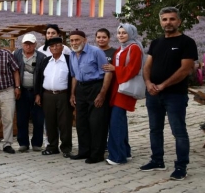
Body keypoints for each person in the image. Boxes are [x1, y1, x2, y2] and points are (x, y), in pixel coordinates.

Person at [141, 7, 197, 180]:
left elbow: (185, 69)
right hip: (153, 94)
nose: (168, 23)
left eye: (172, 19)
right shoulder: (156, 43)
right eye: (164, 19)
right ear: (160, 22)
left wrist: (163, 85)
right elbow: (147, 66)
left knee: (178, 131)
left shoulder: (187, 42)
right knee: (155, 129)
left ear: (179, 21)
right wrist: (149, 83)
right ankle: (157, 160)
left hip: (175, 95)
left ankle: (181, 166)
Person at [68, 29, 113, 164]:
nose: (74, 43)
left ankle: (97, 154)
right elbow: (74, 75)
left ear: (85, 40)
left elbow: (108, 73)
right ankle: (84, 151)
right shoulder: (72, 54)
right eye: (72, 40)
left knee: (96, 123)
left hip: (96, 87)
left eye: (77, 40)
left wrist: (102, 94)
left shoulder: (96, 52)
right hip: (81, 89)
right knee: (81, 122)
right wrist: (72, 93)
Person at [103, 24, 143, 165]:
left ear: (131, 34)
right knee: (120, 121)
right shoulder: (122, 48)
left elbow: (133, 68)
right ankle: (125, 152)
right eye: (119, 32)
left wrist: (115, 68)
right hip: (118, 88)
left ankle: (117, 157)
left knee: (116, 122)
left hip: (125, 88)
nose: (120, 35)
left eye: (124, 33)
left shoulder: (134, 48)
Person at [36, 37, 74, 157]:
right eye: (52, 46)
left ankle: (66, 148)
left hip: (63, 95)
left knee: (65, 123)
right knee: (50, 122)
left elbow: (74, 78)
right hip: (47, 95)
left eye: (57, 45)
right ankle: (52, 146)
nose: (54, 48)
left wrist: (73, 95)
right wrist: (38, 94)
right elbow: (39, 78)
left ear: (62, 47)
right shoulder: (46, 61)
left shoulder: (69, 60)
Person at [14, 33, 47, 152]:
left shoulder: (41, 57)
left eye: (31, 44)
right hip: (21, 91)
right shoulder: (16, 54)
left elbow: (43, 77)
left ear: (35, 45)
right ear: (22, 44)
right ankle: (23, 143)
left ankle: (37, 143)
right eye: (26, 44)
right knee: (21, 118)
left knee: (38, 118)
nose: (28, 46)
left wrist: (39, 93)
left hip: (36, 92)